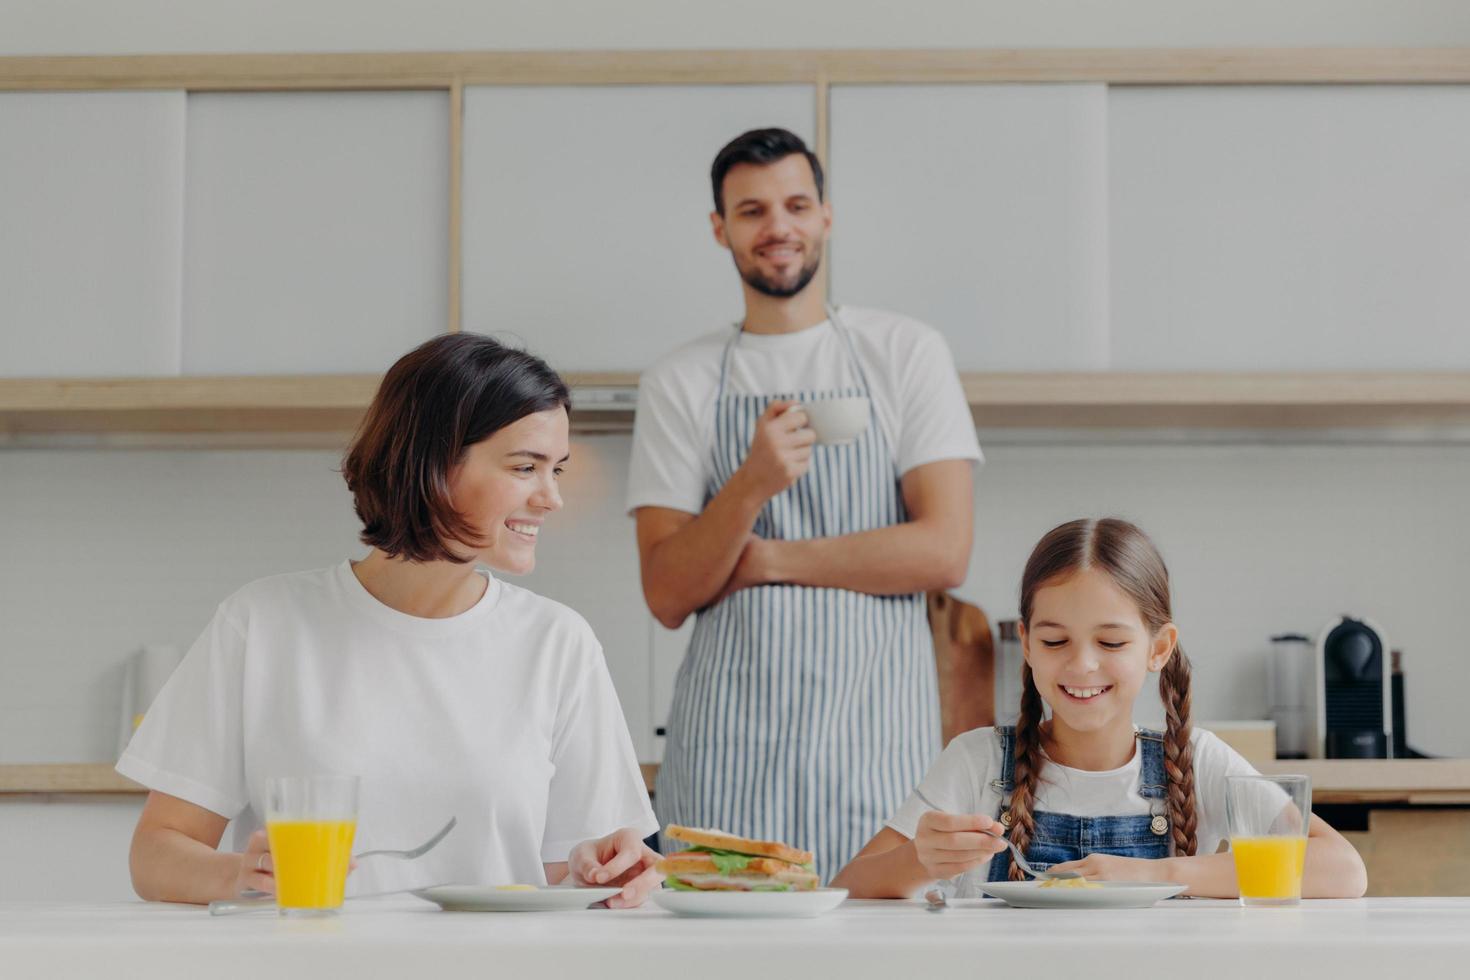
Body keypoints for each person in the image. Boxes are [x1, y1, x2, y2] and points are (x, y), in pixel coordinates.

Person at [120, 334, 661, 907]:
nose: (552, 497)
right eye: (526, 467)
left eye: (557, 469)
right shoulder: (261, 625)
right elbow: (157, 850)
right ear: (432, 462)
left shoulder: (558, 643)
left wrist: (598, 870)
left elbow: (561, 872)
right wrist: (238, 875)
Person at [627, 128, 982, 879]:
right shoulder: (679, 381)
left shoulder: (904, 352)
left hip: (875, 743)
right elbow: (665, 590)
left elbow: (943, 550)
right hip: (727, 746)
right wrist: (753, 481)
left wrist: (763, 559)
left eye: (795, 204)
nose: (777, 227)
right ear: (721, 229)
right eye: (751, 210)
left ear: (826, 216)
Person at [831, 517, 1368, 899]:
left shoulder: (1198, 760)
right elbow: (847, 888)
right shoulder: (975, 761)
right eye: (1055, 641)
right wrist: (919, 861)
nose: (1082, 666)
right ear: (1026, 642)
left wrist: (1154, 875)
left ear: (1159, 648)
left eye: (1111, 644)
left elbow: (1343, 871)